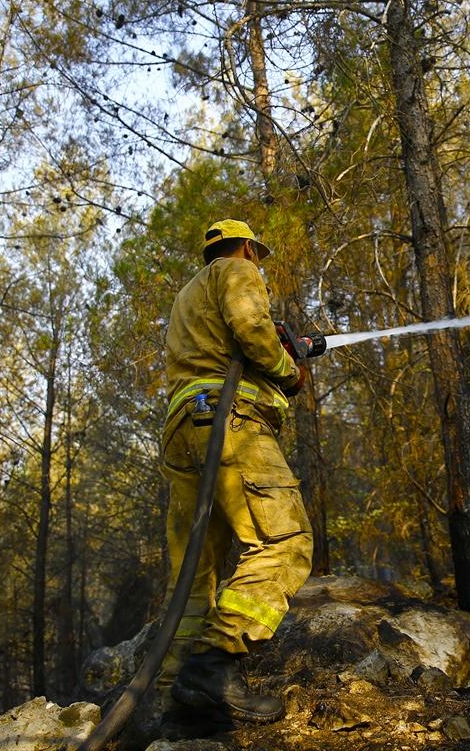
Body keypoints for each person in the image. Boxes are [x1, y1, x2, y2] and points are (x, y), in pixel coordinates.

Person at [156, 218, 313, 724]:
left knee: (193, 574)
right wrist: (289, 369)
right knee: (284, 542)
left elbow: (228, 342)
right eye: (256, 255)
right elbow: (250, 327)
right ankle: (215, 663)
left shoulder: (188, 296)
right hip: (231, 423)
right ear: (247, 247)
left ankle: (168, 706)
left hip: (185, 428)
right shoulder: (238, 270)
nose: (258, 263)